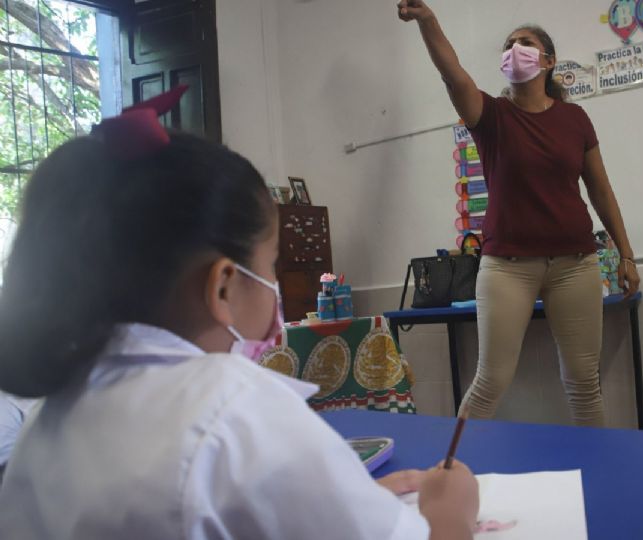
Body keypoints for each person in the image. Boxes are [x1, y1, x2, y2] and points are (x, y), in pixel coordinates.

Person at [0, 92, 479, 540]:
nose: (274, 283)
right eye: (271, 263)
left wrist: (348, 499)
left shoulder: (45, 422)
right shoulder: (238, 409)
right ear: (224, 285)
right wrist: (449, 518)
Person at [398, 0, 640, 427]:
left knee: (584, 383)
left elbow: (601, 190)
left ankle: (597, 478)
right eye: (509, 45)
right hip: (507, 266)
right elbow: (452, 72)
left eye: (525, 43)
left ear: (548, 61)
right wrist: (428, 20)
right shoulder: (489, 114)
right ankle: (456, 475)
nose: (514, 50)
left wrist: (626, 253)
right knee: (490, 380)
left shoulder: (575, 118)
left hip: (576, 263)